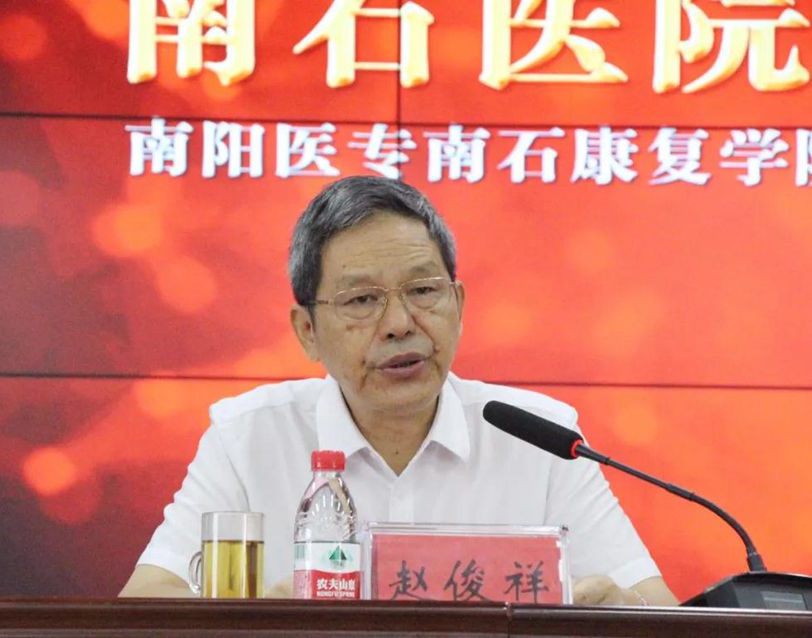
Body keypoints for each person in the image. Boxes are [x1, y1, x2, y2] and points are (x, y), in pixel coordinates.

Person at [120, 176, 678, 605]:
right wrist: (265, 621)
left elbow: (657, 608)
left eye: (423, 290)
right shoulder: (249, 437)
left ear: (458, 304)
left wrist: (618, 610)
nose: (399, 324)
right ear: (307, 331)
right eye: (362, 300)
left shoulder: (543, 438)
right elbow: (144, 605)